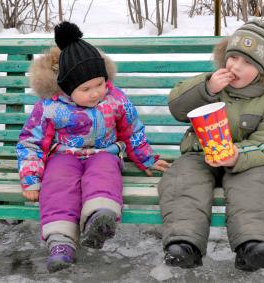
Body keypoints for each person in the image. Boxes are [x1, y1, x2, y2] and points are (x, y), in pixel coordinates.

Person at [16, 21, 169, 272]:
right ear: (67, 87)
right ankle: (60, 241)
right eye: (86, 89)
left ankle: (99, 218)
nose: (96, 92)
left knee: (105, 174)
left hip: (104, 153)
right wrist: (31, 176)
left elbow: (132, 129)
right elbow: (31, 141)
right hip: (63, 156)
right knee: (58, 185)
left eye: (100, 84)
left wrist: (147, 157)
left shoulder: (115, 98)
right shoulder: (50, 106)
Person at [158, 19, 264, 272]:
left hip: (246, 161)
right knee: (183, 180)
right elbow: (177, 108)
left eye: (249, 62)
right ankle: (184, 244)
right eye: (233, 58)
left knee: (257, 185)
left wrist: (237, 155)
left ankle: (253, 246)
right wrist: (206, 88)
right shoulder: (211, 84)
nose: (237, 67)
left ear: (262, 70)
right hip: (200, 155)